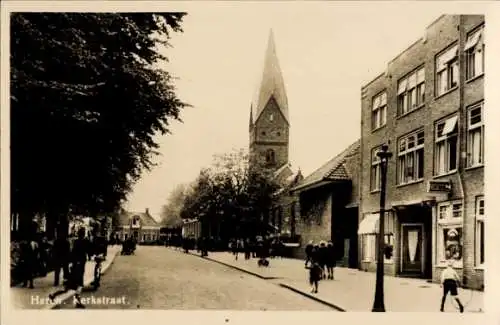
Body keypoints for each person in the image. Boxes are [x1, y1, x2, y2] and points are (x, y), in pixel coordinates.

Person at [49, 228, 89, 308]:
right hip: (79, 266)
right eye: (84, 233)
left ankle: (53, 295)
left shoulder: (76, 242)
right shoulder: (83, 242)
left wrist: (73, 263)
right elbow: (86, 251)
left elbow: (73, 253)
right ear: (83, 234)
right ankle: (78, 303)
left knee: (68, 288)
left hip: (76, 265)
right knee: (79, 285)